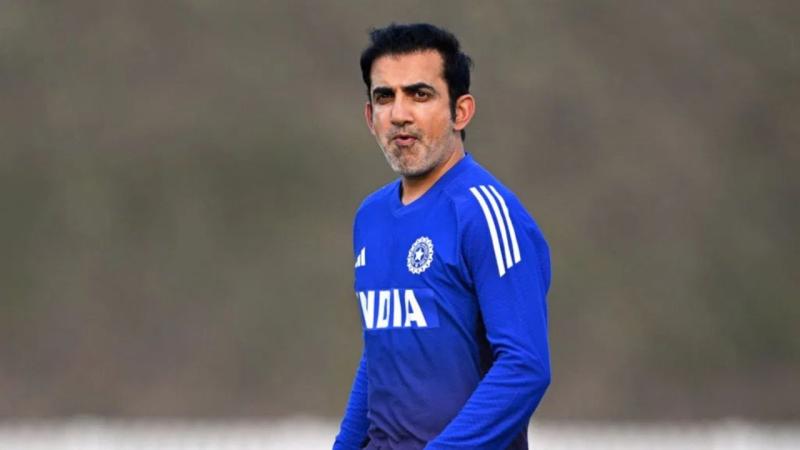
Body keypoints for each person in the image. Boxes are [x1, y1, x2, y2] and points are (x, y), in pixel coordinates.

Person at [334, 23, 551, 450]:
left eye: (419, 94)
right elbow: (381, 354)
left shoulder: (486, 213)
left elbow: (524, 366)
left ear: (461, 111)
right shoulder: (370, 216)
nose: (400, 114)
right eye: (385, 97)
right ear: (370, 117)